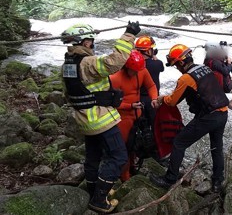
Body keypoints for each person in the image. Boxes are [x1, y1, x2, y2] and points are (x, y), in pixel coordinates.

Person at [61, 22, 140, 213]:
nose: (92, 44)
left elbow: (68, 93)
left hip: (84, 119)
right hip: (100, 119)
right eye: (91, 40)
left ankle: (93, 191)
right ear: (85, 42)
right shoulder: (87, 63)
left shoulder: (67, 65)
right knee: (119, 156)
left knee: (93, 156)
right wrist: (129, 35)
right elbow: (114, 62)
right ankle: (99, 199)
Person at [149, 44, 229, 193]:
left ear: (180, 62)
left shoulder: (185, 79)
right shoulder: (204, 68)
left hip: (209, 117)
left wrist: (161, 98)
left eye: (175, 65)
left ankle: (169, 179)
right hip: (223, 112)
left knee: (179, 142)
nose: (176, 68)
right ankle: (218, 180)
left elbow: (172, 101)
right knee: (217, 147)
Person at [109, 50, 159, 182]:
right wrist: (129, 106)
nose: (137, 73)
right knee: (124, 148)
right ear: (126, 67)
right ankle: (124, 176)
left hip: (137, 115)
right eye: (134, 71)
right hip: (122, 118)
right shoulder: (115, 78)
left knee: (135, 145)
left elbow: (151, 85)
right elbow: (110, 103)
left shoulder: (141, 70)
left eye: (138, 70)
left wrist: (154, 98)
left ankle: (132, 166)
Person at [135, 36, 164, 122]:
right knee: (154, 123)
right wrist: (154, 57)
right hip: (153, 98)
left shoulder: (134, 65)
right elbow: (162, 68)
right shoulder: (157, 64)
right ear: (148, 51)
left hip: (138, 99)